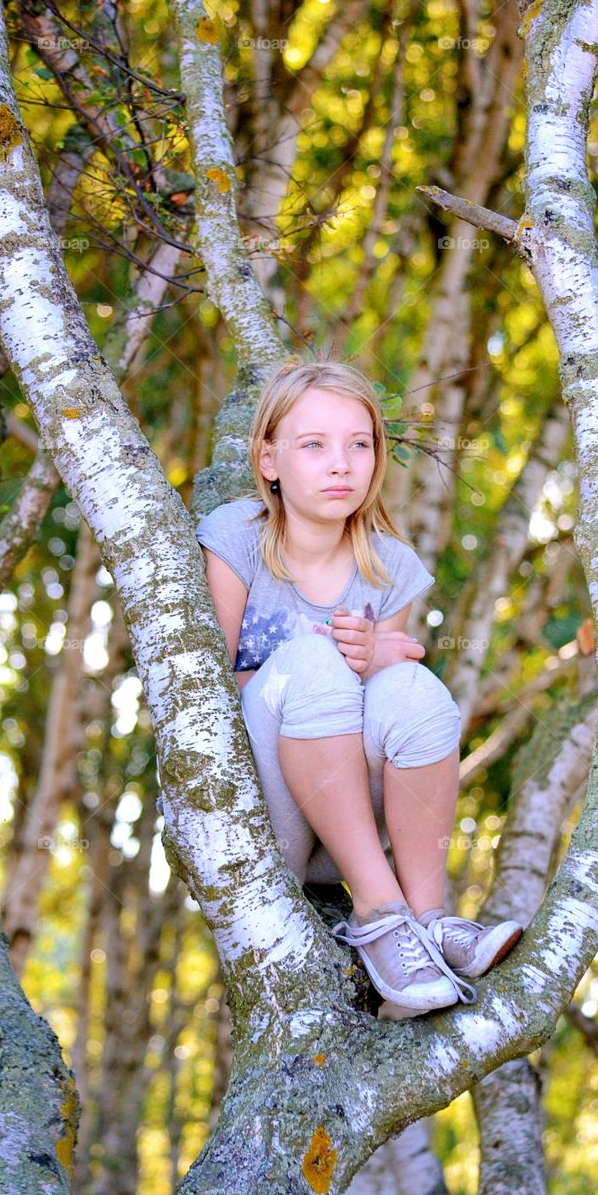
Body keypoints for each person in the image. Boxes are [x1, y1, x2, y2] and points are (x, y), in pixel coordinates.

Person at [196, 359, 523, 1017]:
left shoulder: (389, 567)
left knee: (415, 688)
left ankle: (426, 920)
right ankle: (380, 915)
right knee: (316, 663)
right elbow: (210, 696)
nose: (340, 463)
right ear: (269, 460)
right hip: (264, 819)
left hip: (343, 823)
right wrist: (329, 656)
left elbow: (379, 700)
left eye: (359, 444)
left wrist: (374, 662)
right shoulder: (234, 537)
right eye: (313, 445)